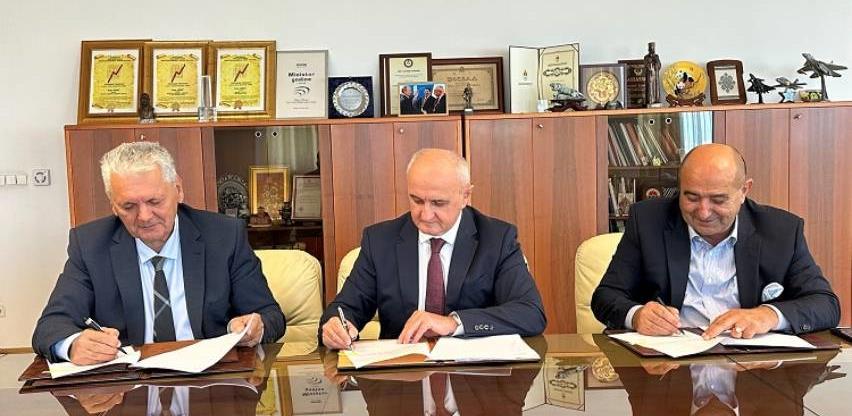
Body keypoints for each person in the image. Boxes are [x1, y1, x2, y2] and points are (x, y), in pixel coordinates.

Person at [32, 141, 285, 364]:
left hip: (210, 382)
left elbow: (271, 315)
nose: (144, 216)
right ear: (113, 205)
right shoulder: (90, 245)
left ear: (178, 190)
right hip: (129, 386)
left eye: (154, 201)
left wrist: (253, 328)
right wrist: (74, 344)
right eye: (128, 206)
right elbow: (50, 326)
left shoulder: (224, 236)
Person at [591, 143, 839, 339]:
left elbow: (826, 305)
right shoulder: (648, 221)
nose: (703, 212)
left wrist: (768, 315)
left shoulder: (781, 231)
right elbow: (606, 296)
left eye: (718, 200)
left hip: (752, 370)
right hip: (669, 366)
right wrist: (636, 316)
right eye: (691, 197)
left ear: (744, 191)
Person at [320, 148, 546, 350]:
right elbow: (345, 308)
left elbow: (530, 313)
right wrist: (336, 326)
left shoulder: (496, 239)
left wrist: (453, 322)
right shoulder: (380, 241)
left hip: (474, 374)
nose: (426, 215)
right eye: (417, 200)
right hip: (402, 373)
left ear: (465, 196)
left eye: (438, 203)